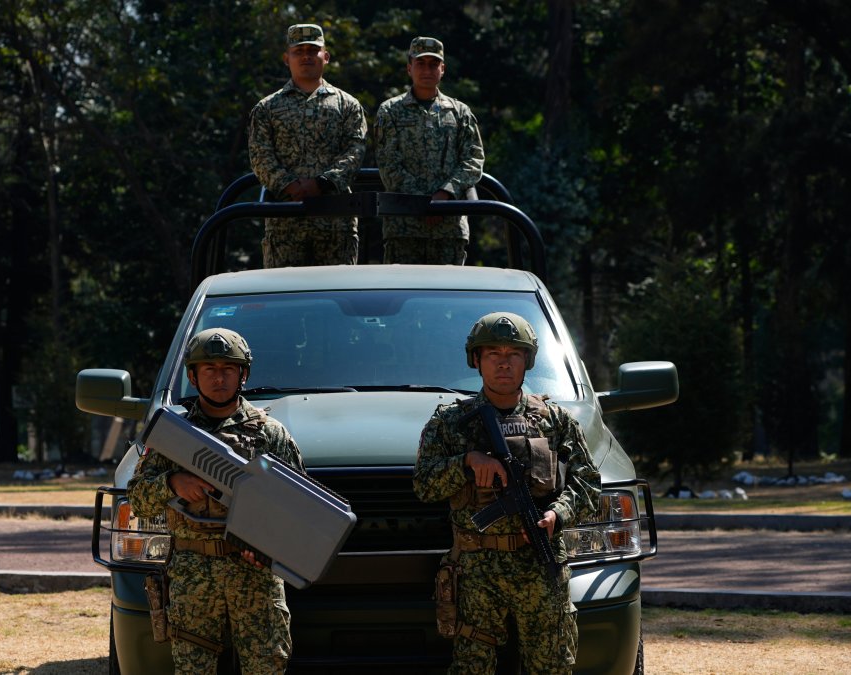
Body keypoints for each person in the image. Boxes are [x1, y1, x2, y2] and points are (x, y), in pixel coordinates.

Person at [412, 312, 600, 674]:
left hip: (539, 564)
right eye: (493, 354)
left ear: (527, 361)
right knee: (472, 666)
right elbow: (423, 484)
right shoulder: (449, 421)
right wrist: (467, 461)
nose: (503, 362)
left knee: (552, 665)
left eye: (513, 353)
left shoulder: (554, 420)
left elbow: (588, 482)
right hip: (476, 570)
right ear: (477, 361)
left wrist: (557, 513)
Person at [127, 328, 305, 675]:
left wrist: (270, 547)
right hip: (192, 573)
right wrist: (172, 483)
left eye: (228, 368)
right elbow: (138, 499)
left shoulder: (270, 434)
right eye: (208, 369)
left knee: (267, 667)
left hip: (254, 575)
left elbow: (301, 509)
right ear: (192, 376)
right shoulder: (171, 435)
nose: (218, 377)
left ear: (243, 374)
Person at [248, 23, 367, 268]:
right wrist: (290, 186)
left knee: (338, 297)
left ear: (326, 56)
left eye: (313, 50)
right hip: (285, 221)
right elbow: (260, 156)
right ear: (286, 58)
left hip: (335, 221)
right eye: (298, 50)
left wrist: (321, 184)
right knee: (284, 300)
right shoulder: (266, 108)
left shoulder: (348, 105)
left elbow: (355, 150)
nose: (305, 56)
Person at [374, 36, 485, 265]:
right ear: (409, 68)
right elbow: (388, 165)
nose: (427, 69)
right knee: (401, 296)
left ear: (442, 69)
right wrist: (424, 203)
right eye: (421, 63)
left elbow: (473, 160)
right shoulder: (390, 111)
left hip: (449, 228)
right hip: (404, 228)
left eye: (433, 64)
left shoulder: (460, 112)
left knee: (448, 299)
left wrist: (445, 194)